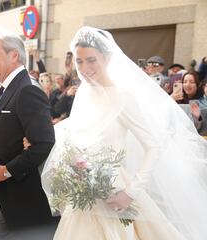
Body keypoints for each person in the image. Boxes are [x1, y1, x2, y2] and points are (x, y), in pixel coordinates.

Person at [39, 26, 207, 239]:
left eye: (91, 60)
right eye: (80, 62)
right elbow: (78, 131)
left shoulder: (122, 97)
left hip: (115, 193)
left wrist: (130, 193)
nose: (85, 68)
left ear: (107, 58)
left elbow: (154, 145)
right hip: (83, 196)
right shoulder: (83, 92)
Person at [0, 27, 59, 240]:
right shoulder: (6, 88)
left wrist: (5, 171)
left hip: (29, 203)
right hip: (11, 201)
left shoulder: (27, 89)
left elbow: (44, 144)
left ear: (14, 55)